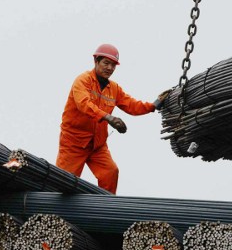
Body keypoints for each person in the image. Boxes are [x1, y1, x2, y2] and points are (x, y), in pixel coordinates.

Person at [55, 43, 168, 194]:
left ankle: (105, 208)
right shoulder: (83, 81)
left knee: (110, 172)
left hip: (97, 145)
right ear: (96, 61)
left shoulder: (114, 89)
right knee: (63, 184)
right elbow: (84, 104)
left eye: (113, 65)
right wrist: (109, 118)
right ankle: (56, 213)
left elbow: (132, 105)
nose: (109, 68)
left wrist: (153, 105)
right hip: (73, 143)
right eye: (106, 63)